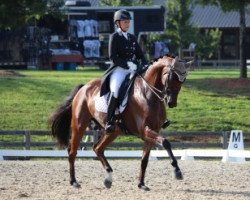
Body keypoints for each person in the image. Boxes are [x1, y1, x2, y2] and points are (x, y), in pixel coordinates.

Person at [100, 9, 148, 133]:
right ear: (118, 23)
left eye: (128, 22)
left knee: (146, 85)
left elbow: (140, 55)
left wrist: (146, 64)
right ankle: (109, 121)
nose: (127, 24)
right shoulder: (114, 37)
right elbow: (113, 57)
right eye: (125, 22)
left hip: (132, 69)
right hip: (119, 70)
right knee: (115, 90)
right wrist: (127, 64)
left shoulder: (132, 37)